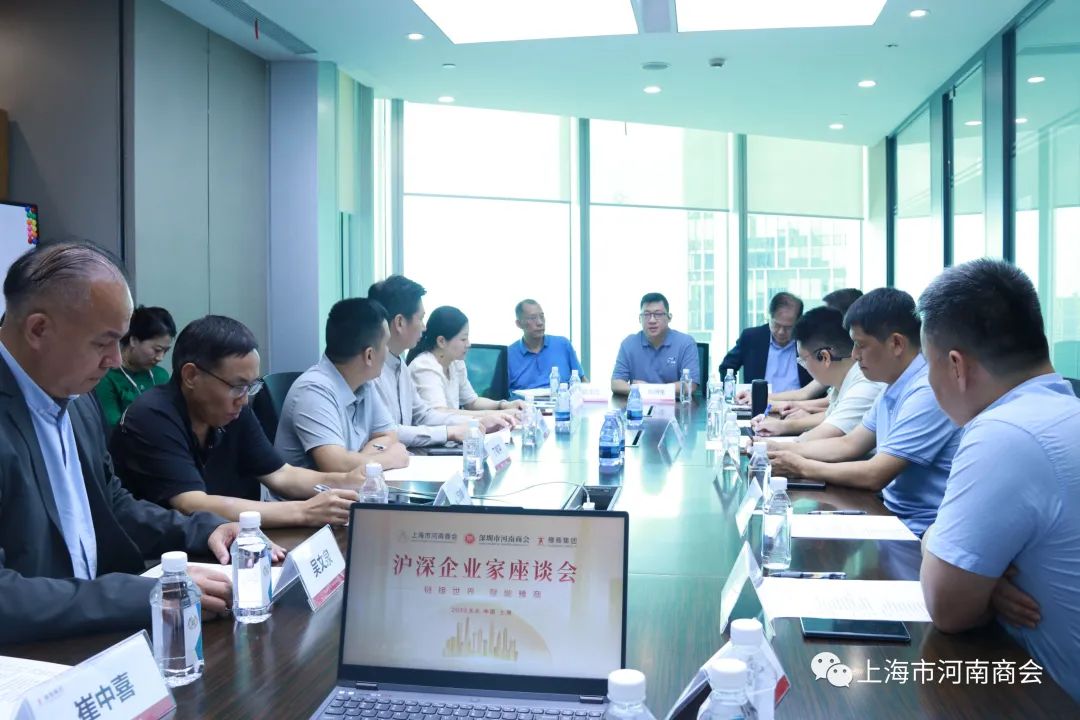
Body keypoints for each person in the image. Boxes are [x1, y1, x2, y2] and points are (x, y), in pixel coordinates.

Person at [0, 241, 274, 645]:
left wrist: (202, 529)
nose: (115, 359)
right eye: (102, 342)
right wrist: (138, 594)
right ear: (38, 329)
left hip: (94, 637)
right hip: (29, 655)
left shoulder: (78, 399)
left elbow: (111, 504)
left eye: (121, 341)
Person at [916, 259, 1080, 701]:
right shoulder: (1062, 411)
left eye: (927, 366)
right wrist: (981, 584)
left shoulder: (1004, 433)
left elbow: (947, 607)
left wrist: (935, 542)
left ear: (956, 366)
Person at [110, 315, 363, 527]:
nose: (243, 399)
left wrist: (348, 482)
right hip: (157, 559)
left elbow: (281, 475)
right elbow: (192, 504)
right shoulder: (151, 416)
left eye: (251, 386)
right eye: (237, 386)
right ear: (191, 376)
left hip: (222, 542)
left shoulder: (233, 410)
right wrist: (304, 512)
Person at [768, 288, 961, 536]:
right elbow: (849, 444)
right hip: (891, 514)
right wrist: (778, 450)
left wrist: (801, 466)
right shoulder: (894, 385)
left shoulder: (925, 390)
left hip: (919, 531)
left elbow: (875, 474)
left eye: (860, 345)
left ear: (896, 344)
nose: (854, 355)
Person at [368, 275, 507, 447]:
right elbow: (388, 431)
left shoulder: (400, 366)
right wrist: (449, 432)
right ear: (400, 322)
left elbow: (424, 415)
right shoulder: (372, 370)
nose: (424, 327)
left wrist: (475, 422)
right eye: (420, 318)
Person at [275, 297, 409, 473]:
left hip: (349, 488)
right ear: (369, 355)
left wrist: (360, 459)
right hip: (313, 491)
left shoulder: (365, 384)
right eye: (386, 345)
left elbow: (389, 435)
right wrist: (389, 458)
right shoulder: (313, 390)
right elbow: (336, 465)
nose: (387, 351)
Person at [753, 306, 883, 441]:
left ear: (824, 357)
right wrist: (782, 426)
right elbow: (831, 416)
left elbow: (827, 434)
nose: (804, 367)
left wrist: (764, 443)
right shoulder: (845, 379)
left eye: (803, 360)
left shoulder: (864, 386)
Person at [406, 305, 526, 417]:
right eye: (463, 339)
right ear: (441, 341)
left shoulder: (455, 363)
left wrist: (504, 405)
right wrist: (498, 414)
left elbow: (471, 402)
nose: (468, 344)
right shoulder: (424, 367)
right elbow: (440, 414)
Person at [94, 305, 176, 430]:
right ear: (133, 340)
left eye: (166, 351)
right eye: (157, 350)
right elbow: (113, 424)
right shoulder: (107, 378)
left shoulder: (161, 376)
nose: (160, 358)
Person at [720, 291, 812, 393]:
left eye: (788, 327)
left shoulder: (809, 342)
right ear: (769, 318)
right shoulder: (751, 338)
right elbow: (727, 367)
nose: (781, 332)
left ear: (798, 322)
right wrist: (733, 393)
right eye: (776, 325)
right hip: (759, 401)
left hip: (801, 402)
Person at [611, 292, 699, 395]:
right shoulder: (629, 344)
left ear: (669, 317)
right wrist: (638, 389)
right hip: (639, 403)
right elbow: (616, 383)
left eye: (658, 314)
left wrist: (648, 389)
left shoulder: (686, 343)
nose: (652, 320)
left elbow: (690, 385)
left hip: (676, 403)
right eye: (646, 315)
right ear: (640, 319)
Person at [507, 298, 586, 391]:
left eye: (542, 317)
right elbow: (498, 393)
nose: (540, 323)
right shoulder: (508, 355)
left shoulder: (563, 344)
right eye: (532, 318)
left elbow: (582, 380)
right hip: (523, 400)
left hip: (561, 398)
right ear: (519, 324)